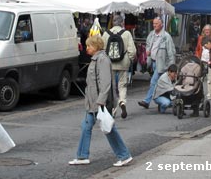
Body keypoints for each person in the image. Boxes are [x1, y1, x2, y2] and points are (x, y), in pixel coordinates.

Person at [69, 35, 133, 167]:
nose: (86, 48)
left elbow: (105, 83)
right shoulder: (96, 59)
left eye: (89, 46)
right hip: (94, 101)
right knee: (88, 126)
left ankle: (124, 155)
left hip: (99, 102)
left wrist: (101, 101)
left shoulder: (102, 59)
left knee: (108, 128)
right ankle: (82, 156)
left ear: (96, 46)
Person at [101, 14, 136, 119]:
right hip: (123, 63)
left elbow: (102, 49)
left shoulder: (106, 34)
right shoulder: (126, 33)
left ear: (113, 22)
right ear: (122, 23)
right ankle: (122, 102)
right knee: (122, 85)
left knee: (112, 87)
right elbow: (132, 51)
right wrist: (130, 59)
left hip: (109, 63)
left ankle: (113, 109)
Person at [138, 18, 175, 109]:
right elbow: (148, 45)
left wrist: (172, 66)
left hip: (162, 64)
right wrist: (148, 51)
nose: (154, 25)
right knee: (161, 84)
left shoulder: (166, 36)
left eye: (156, 24)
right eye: (153, 23)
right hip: (153, 62)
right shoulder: (151, 34)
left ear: (161, 24)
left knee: (153, 82)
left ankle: (147, 101)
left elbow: (171, 52)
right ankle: (166, 102)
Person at [195, 24, 211, 100]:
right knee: (200, 78)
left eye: (208, 30)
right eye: (205, 30)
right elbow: (198, 49)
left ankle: (209, 93)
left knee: (210, 78)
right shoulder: (200, 38)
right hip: (202, 60)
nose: (207, 31)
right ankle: (200, 93)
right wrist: (197, 57)